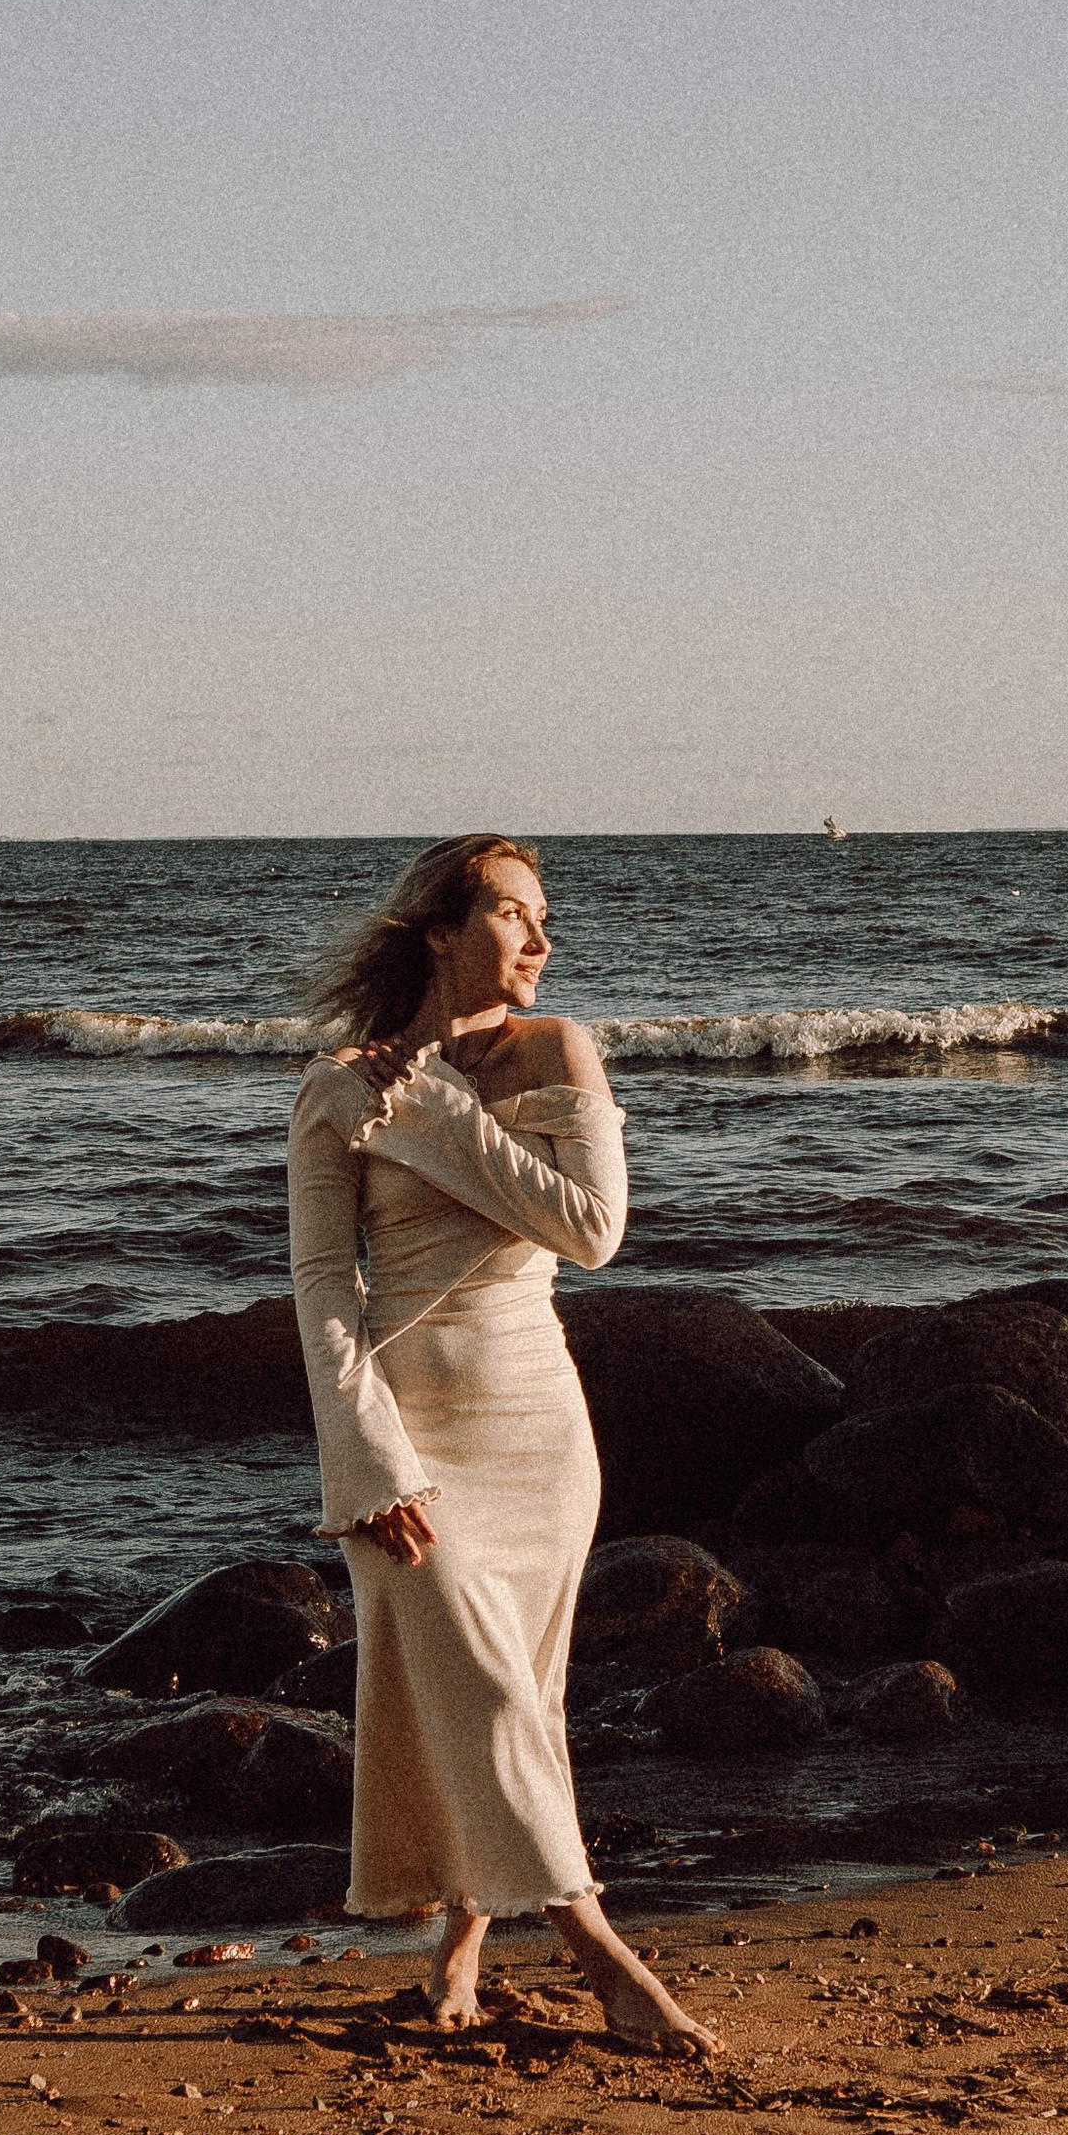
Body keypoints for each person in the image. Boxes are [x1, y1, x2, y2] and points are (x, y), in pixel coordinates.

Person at [287, 834, 716, 2055]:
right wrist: (364, 1464)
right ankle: (601, 1955)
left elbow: (590, 1233)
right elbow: (323, 1290)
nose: (540, 940)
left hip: (538, 1424)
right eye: (516, 915)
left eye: (544, 920)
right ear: (438, 928)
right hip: (407, 1431)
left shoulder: (555, 1050)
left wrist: (430, 1112)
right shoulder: (338, 1089)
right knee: (478, 1683)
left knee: (523, 1694)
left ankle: (461, 1948)